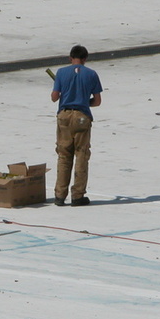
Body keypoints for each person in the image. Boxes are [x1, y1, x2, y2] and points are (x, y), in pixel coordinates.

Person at [51, 44, 103, 206]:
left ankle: (60, 195)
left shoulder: (61, 72)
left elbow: (54, 97)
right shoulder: (92, 74)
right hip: (82, 116)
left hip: (64, 116)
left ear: (70, 57)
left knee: (64, 155)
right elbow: (97, 101)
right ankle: (77, 195)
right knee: (81, 155)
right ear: (85, 59)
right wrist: (84, 102)